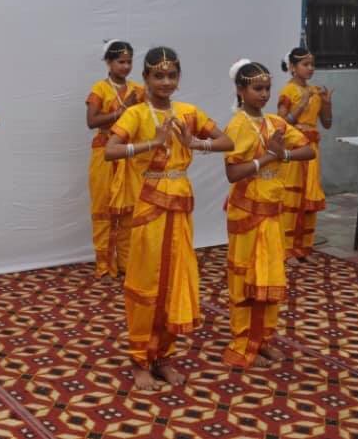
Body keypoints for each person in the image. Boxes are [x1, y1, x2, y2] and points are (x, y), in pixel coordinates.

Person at [104, 47, 232, 391]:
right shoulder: (135, 114)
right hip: (149, 209)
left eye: (171, 75)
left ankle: (163, 357)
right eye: (158, 75)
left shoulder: (188, 112)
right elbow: (110, 151)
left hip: (179, 209)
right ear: (145, 78)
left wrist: (195, 143)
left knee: (174, 282)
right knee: (147, 283)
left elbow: (227, 141)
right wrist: (152, 143)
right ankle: (139, 359)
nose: (165, 82)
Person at [222, 60, 313, 368]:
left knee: (270, 276)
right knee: (245, 280)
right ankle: (243, 343)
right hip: (246, 215)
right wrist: (267, 158)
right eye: (257, 88)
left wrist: (282, 154)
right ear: (240, 90)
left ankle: (263, 340)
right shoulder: (237, 125)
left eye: (267, 88)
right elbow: (233, 173)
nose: (263, 94)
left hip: (271, 214)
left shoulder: (275, 122)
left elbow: (308, 150)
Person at [85, 40, 144, 277]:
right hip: (104, 155)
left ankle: (126, 263)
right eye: (121, 62)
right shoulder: (99, 89)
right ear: (109, 62)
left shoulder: (138, 90)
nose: (126, 66)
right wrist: (123, 109)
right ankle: (104, 264)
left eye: (129, 62)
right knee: (103, 208)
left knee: (129, 210)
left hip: (129, 154)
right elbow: (92, 121)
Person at [277, 48, 332, 259]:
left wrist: (326, 103)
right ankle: (286, 249)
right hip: (295, 149)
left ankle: (304, 248)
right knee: (292, 197)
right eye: (305, 64)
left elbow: (327, 123)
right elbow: (282, 123)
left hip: (312, 149)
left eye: (312, 64)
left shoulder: (315, 91)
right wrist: (303, 102)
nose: (310, 68)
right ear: (292, 67)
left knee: (309, 197)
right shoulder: (288, 91)